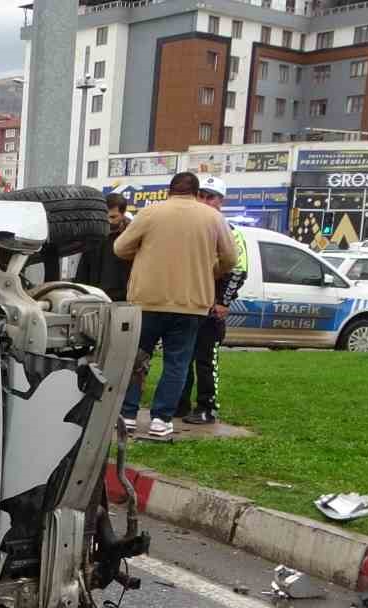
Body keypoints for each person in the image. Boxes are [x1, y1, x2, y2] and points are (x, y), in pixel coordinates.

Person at [113, 172, 237, 439]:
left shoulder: (150, 213)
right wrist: (211, 269)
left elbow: (120, 248)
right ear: (195, 192)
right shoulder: (214, 218)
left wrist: (144, 254)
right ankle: (161, 419)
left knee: (137, 359)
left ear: (169, 191)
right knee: (177, 362)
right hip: (191, 304)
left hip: (148, 299)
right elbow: (230, 259)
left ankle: (129, 414)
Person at [177, 176, 247, 425]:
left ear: (221, 201)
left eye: (211, 197)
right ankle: (179, 404)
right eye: (202, 196)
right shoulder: (192, 229)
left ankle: (207, 407)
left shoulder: (230, 231)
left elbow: (239, 270)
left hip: (211, 306)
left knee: (205, 360)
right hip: (188, 303)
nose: (206, 201)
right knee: (181, 356)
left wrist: (224, 302)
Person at [75, 193, 133, 304]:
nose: (109, 221)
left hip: (121, 300)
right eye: (105, 216)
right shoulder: (93, 234)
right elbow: (83, 267)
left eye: (113, 217)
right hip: (93, 298)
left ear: (123, 214)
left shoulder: (131, 236)